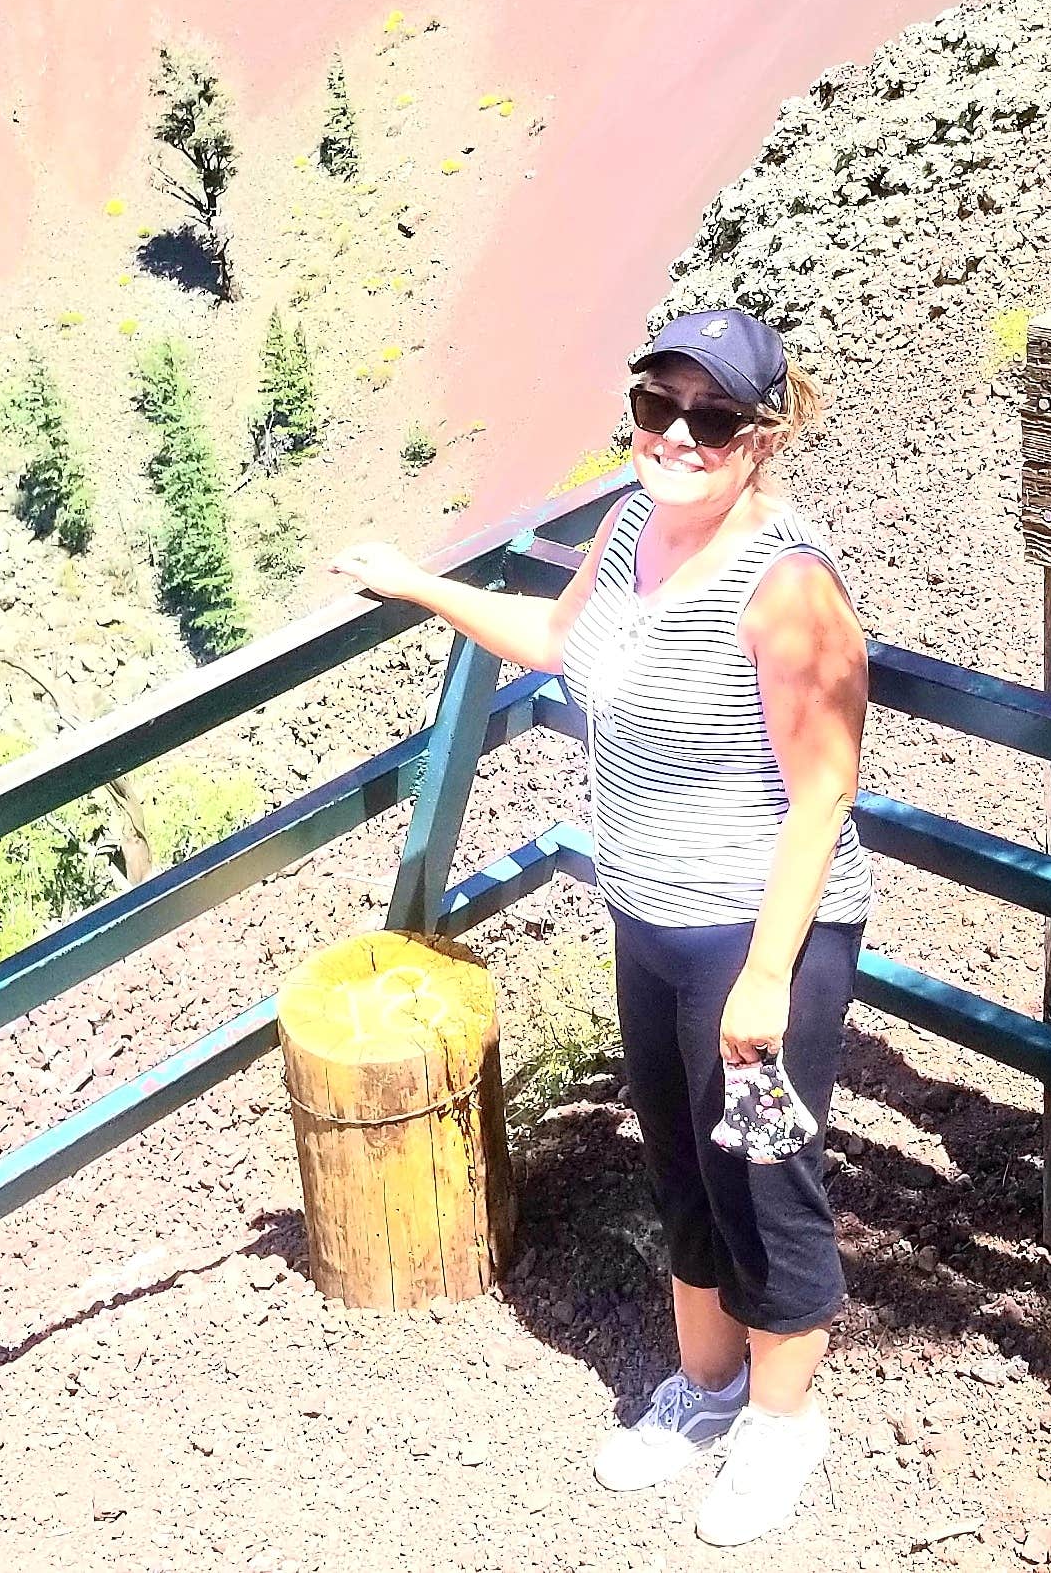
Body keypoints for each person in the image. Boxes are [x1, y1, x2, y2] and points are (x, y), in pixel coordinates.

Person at [332, 306, 873, 1548]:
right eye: (656, 407)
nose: (676, 435)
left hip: (757, 939)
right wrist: (418, 583)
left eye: (711, 418)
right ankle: (707, 1388)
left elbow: (826, 791)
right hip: (650, 915)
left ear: (760, 436)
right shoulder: (632, 525)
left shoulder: (788, 589)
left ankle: (783, 1424)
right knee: (680, 1162)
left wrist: (765, 978)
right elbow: (555, 639)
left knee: (764, 1180)